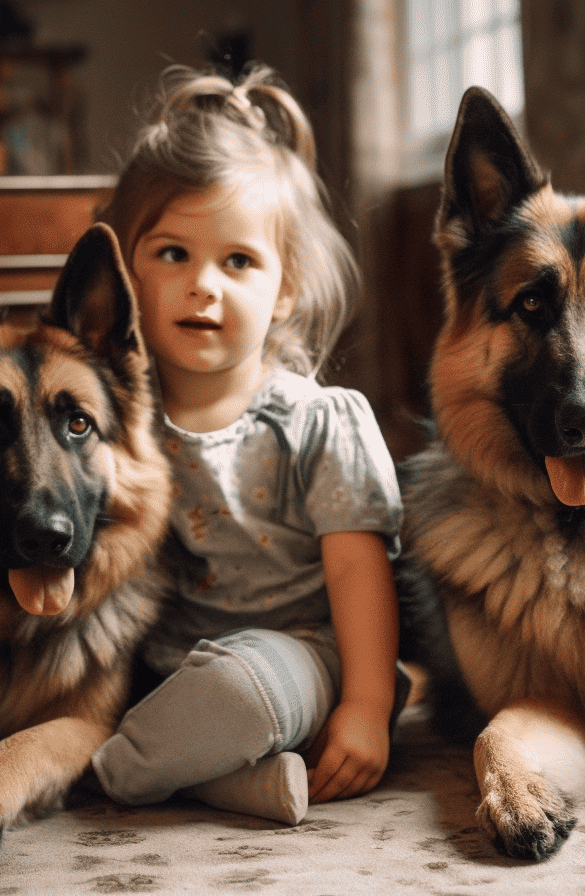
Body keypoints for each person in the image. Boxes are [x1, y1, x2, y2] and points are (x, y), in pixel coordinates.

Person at [90, 64, 406, 826]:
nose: (205, 285)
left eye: (238, 261)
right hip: (156, 661)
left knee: (237, 694)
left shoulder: (315, 421)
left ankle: (110, 770)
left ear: (286, 287)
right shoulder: (114, 416)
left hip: (298, 655)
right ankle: (230, 779)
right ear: (124, 271)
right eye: (173, 254)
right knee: (90, 690)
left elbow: (360, 573)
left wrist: (363, 704)